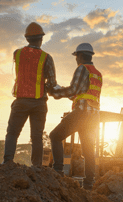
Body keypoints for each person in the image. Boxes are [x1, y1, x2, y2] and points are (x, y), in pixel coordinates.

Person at [2, 22, 57, 166]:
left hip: (20, 101)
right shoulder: (47, 57)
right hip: (39, 102)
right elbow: (51, 83)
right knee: (37, 137)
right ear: (41, 39)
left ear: (27, 38)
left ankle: (7, 162)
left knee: (12, 133)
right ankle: (37, 167)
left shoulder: (17, 53)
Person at [48, 43, 102, 190]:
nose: (76, 60)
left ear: (79, 56)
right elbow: (77, 94)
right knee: (88, 149)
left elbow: (72, 90)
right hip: (93, 116)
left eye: (76, 56)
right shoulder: (97, 73)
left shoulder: (81, 69)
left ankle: (58, 171)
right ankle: (89, 183)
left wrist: (54, 92)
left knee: (55, 136)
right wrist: (61, 90)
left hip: (81, 113)